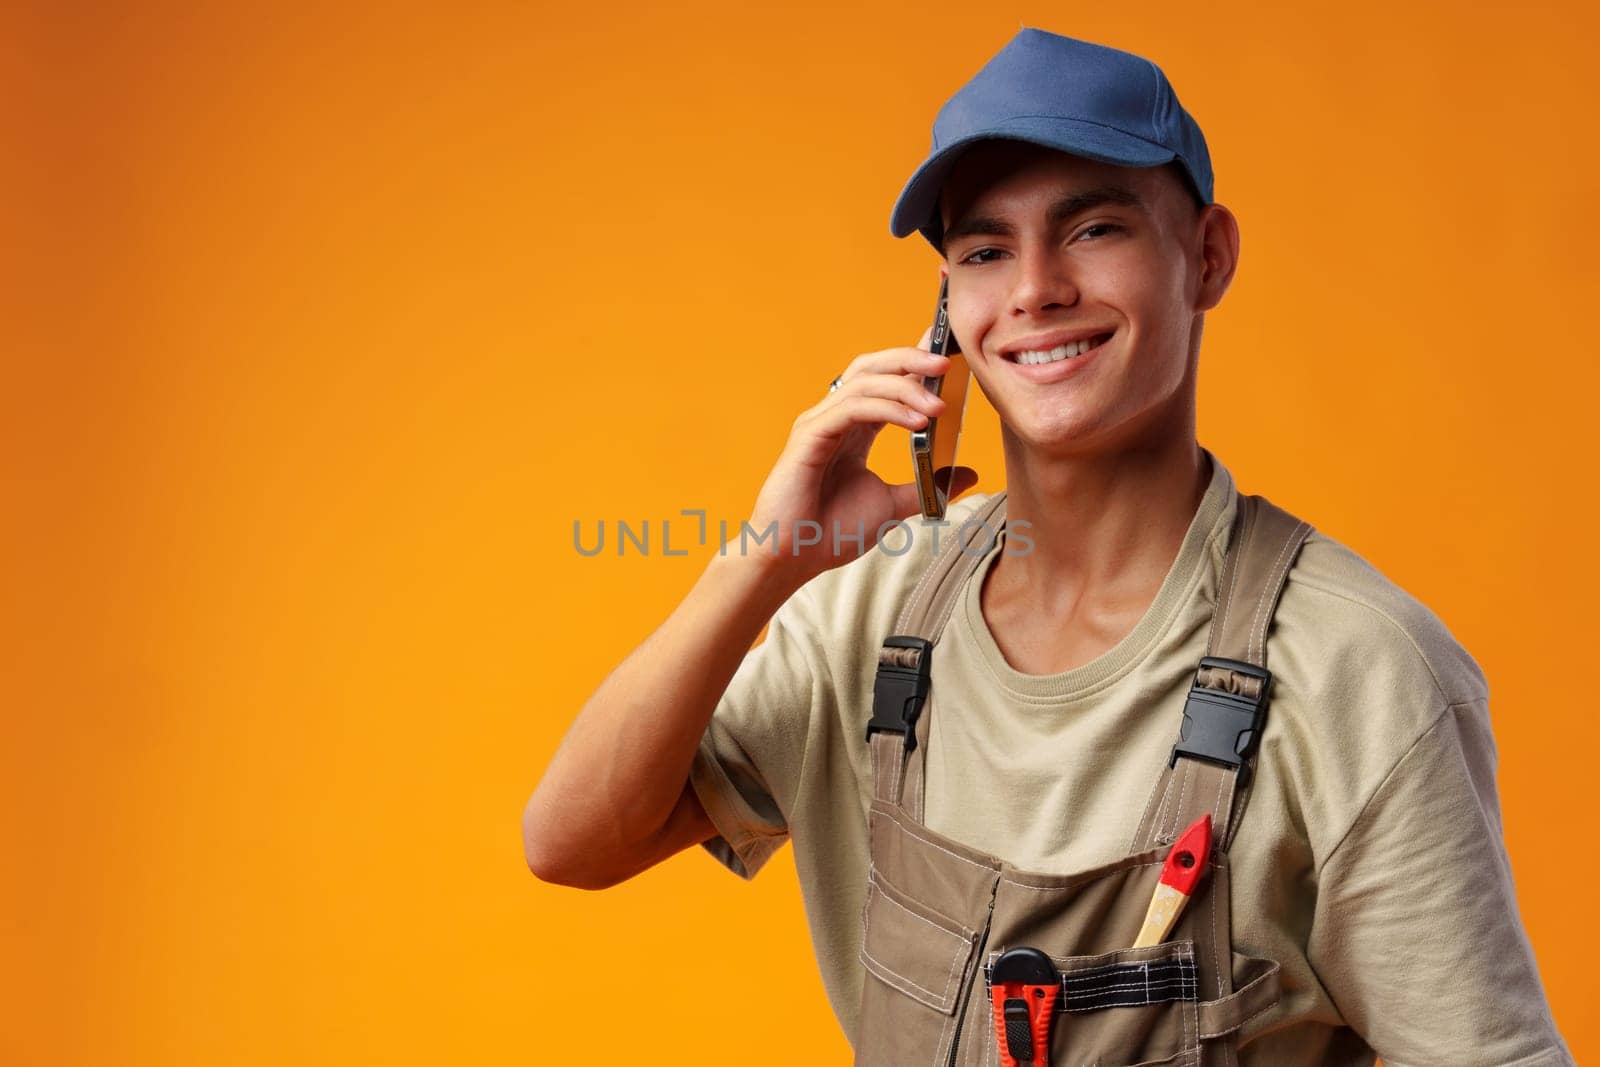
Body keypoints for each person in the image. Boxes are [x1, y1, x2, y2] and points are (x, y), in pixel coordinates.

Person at [523, 27, 1571, 1065]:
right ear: (948, 314)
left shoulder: (1355, 667)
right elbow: (572, 842)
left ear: (1206, 256)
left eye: (1093, 229)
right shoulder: (871, 606)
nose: (1032, 288)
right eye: (982, 250)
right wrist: (768, 553)